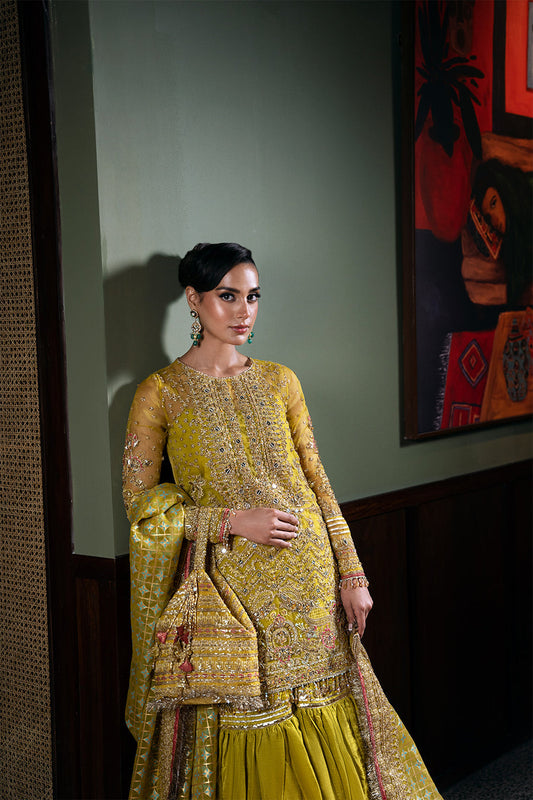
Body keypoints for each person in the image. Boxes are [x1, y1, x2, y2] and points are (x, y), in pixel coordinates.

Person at [123, 243, 442, 800]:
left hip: (311, 584)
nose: (243, 311)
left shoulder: (280, 381)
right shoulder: (160, 393)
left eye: (252, 297)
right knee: (252, 725)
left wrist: (353, 574)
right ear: (193, 299)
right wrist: (232, 521)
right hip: (231, 595)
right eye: (227, 297)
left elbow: (317, 481)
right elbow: (142, 510)